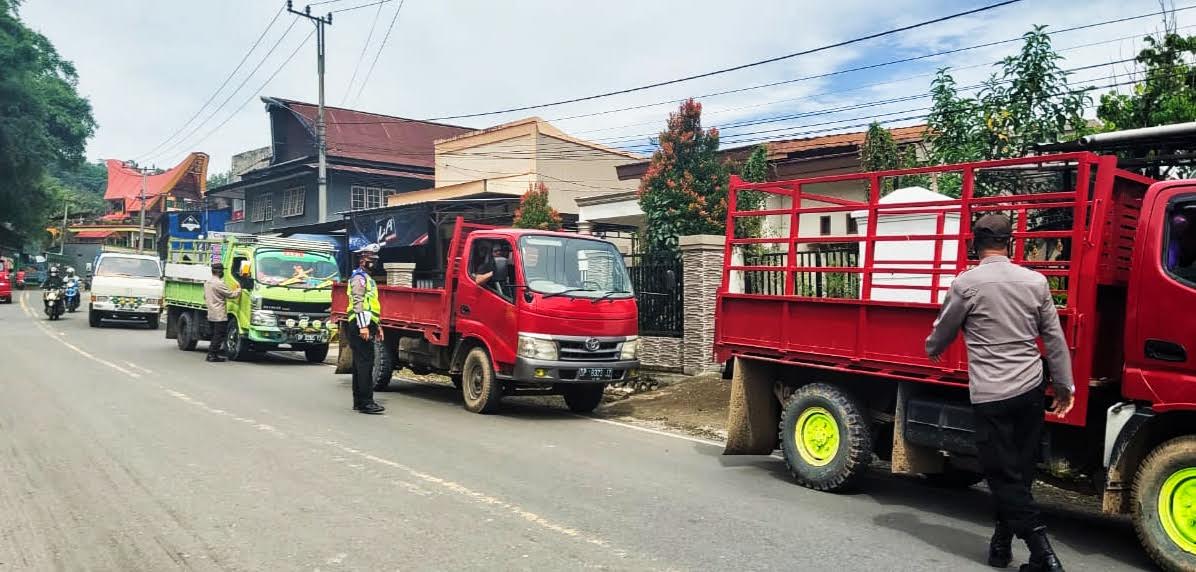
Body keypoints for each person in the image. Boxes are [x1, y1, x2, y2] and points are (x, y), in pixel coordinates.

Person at [924, 214, 1074, 572]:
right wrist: (1065, 386)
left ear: (975, 243)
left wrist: (933, 348)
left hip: (992, 394)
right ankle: (1000, 544)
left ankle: (1043, 554)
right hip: (1030, 390)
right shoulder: (1035, 282)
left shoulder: (967, 284)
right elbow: (1053, 338)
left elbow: (944, 330)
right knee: (1019, 472)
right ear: (1010, 241)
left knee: (1001, 475)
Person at [346, 244, 385, 415]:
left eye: (375, 260)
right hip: (360, 324)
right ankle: (366, 402)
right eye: (371, 260)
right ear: (362, 261)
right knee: (366, 364)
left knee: (359, 364)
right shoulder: (359, 278)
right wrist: (363, 326)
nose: (374, 263)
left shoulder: (368, 279)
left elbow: (372, 306)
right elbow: (358, 302)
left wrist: (378, 326)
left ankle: (359, 401)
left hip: (367, 323)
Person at [203, 262, 241, 362]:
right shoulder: (219, 283)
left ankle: (212, 354)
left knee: (214, 335)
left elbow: (205, 297)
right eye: (222, 270)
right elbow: (231, 295)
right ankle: (212, 355)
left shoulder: (207, 282)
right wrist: (239, 289)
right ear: (219, 272)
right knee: (218, 335)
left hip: (210, 313)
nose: (223, 272)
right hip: (219, 314)